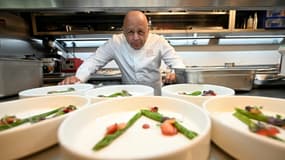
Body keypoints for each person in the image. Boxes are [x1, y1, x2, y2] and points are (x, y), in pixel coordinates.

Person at [59, 10, 185, 95]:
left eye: (140, 32)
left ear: (148, 30)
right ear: (123, 31)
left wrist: (175, 74)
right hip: (129, 95)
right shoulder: (116, 42)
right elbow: (94, 61)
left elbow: (177, 62)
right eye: (130, 32)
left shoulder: (158, 41)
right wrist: (78, 77)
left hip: (155, 95)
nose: (135, 37)